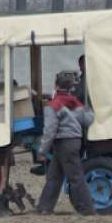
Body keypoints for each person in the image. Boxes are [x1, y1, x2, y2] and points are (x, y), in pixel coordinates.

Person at [36, 72, 96, 215]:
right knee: (54, 176)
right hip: (74, 142)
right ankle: (44, 208)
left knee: (75, 178)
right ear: (71, 88)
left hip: (63, 143)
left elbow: (50, 131)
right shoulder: (76, 103)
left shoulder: (53, 106)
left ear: (56, 86)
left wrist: (42, 151)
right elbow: (88, 120)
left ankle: (87, 209)